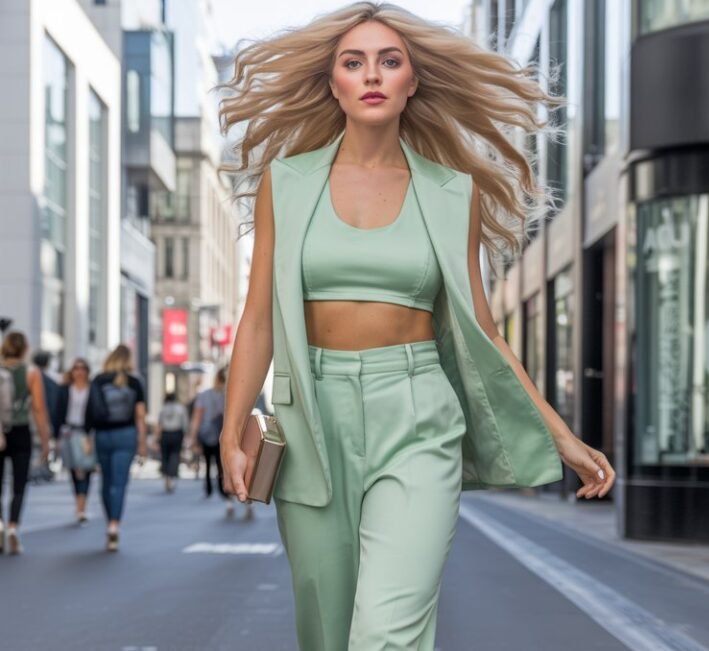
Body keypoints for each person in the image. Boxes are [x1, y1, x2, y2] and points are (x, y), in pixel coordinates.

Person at [218, 3, 616, 649]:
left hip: (418, 416)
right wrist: (233, 430)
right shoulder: (285, 183)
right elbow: (258, 318)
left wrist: (562, 433)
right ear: (333, 85)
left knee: (386, 633)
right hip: (311, 416)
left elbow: (483, 333)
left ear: (413, 82)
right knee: (327, 632)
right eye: (353, 62)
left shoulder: (451, 191)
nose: (371, 74)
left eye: (389, 60)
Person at [85, 344, 147, 552]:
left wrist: (87, 436)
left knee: (106, 481)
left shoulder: (98, 380)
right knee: (119, 483)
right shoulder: (135, 382)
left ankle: (108, 521)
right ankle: (114, 524)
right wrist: (143, 443)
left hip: (102, 435)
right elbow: (140, 416)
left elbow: (89, 411)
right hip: (126, 435)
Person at [0, 331, 51, 555]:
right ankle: (13, 528)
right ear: (25, 349)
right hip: (21, 432)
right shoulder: (31, 373)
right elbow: (38, 409)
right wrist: (46, 440)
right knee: (19, 485)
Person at [188, 368, 254, 521]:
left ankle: (228, 500)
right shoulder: (236, 395)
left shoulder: (205, 396)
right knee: (233, 467)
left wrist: (192, 438)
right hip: (233, 437)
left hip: (209, 437)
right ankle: (245, 500)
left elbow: (197, 418)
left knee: (216, 466)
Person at [54, 358, 95, 524]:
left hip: (86, 433)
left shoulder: (92, 389)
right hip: (68, 432)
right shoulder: (65, 390)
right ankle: (78, 502)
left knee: (86, 468)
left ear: (87, 371)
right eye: (76, 368)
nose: (79, 372)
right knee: (73, 469)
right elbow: (57, 412)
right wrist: (56, 436)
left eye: (82, 368)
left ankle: (82, 505)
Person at [155, 392, 188, 493]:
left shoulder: (163, 409)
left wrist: (157, 437)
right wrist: (185, 434)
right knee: (175, 455)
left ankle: (166, 478)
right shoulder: (180, 408)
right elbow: (185, 423)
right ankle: (172, 476)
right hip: (176, 433)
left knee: (165, 456)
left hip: (165, 433)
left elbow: (159, 424)